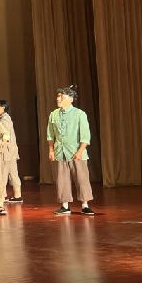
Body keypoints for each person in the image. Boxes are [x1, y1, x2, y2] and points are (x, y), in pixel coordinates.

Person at [47, 85, 95, 216]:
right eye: (58, 96)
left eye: (61, 97)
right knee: (61, 180)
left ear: (71, 99)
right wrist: (51, 150)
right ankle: (65, 205)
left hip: (76, 152)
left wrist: (80, 151)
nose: (58, 99)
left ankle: (85, 205)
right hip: (60, 152)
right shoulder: (53, 114)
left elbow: (85, 136)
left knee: (81, 179)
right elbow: (50, 135)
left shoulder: (79, 114)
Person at [0, 100, 22, 203]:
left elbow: (4, 134)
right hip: (11, 151)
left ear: (3, 108)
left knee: (3, 173)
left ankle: (2, 196)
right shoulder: (5, 118)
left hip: (6, 151)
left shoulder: (4, 120)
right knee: (13, 174)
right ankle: (17, 195)